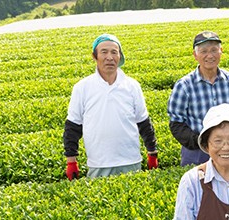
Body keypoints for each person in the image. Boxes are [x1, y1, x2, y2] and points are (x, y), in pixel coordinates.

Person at [63, 34, 158, 180]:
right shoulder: (82, 87)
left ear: (120, 57)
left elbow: (144, 122)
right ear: (94, 56)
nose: (109, 57)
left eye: (114, 52)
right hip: (98, 164)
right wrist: (71, 161)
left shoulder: (132, 86)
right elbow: (73, 126)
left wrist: (152, 153)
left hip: (131, 161)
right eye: (104, 52)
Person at [167, 31, 229, 167]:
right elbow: (176, 123)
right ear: (195, 55)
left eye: (214, 50)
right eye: (204, 51)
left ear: (221, 51)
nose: (209, 55)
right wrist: (201, 142)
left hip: (228, 149)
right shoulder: (184, 85)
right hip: (196, 152)